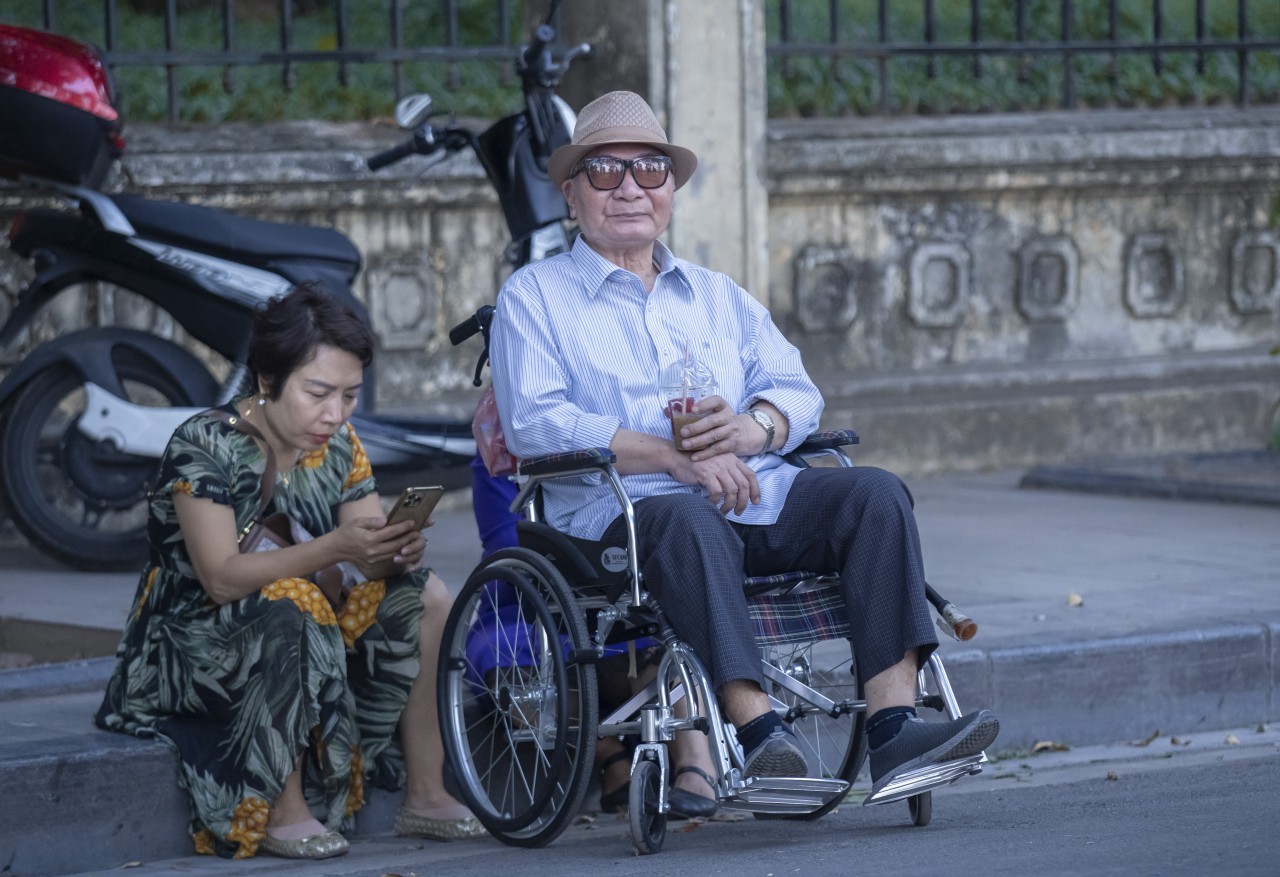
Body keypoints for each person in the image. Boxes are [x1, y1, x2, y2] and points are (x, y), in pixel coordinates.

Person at [488, 91, 1000, 802]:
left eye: (650, 171)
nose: (631, 188)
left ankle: (892, 727)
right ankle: (759, 733)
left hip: (750, 495)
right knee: (686, 518)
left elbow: (796, 386)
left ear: (670, 190)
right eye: (606, 172)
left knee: (874, 493)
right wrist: (670, 455)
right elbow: (536, 423)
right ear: (572, 194)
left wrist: (753, 428)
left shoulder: (715, 294)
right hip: (625, 520)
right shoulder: (534, 297)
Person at [95, 285, 485, 860]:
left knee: (426, 595)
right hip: (192, 639)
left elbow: (363, 550)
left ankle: (425, 794)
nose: (335, 413)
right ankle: (283, 808)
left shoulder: (339, 443)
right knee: (290, 598)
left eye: (351, 395)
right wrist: (337, 547)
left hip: (308, 618)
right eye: (318, 393)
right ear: (267, 381)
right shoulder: (204, 444)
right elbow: (222, 578)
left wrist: (394, 551)